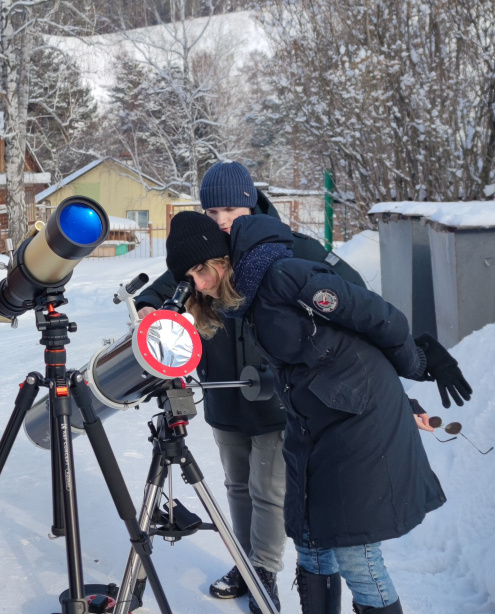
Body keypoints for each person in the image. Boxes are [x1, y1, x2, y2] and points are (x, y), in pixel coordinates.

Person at [163, 210, 471, 613]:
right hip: (313, 421)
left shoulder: (282, 275)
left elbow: (376, 316)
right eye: (192, 277)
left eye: (204, 269)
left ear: (223, 258)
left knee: (355, 553)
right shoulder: (247, 297)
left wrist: (418, 361)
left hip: (360, 419)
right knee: (311, 540)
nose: (202, 284)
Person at [136, 160, 365, 614]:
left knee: (269, 490)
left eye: (229, 210)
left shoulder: (287, 246)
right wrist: (148, 308)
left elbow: (353, 291)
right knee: (237, 486)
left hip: (277, 396)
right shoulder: (206, 251)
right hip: (223, 392)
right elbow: (161, 291)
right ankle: (245, 564)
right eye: (212, 211)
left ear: (250, 203)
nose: (220, 220)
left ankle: (264, 572)